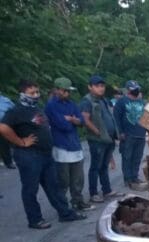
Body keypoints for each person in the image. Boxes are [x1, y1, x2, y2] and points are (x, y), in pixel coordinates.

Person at [0, 80, 86, 229]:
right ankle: (35, 219)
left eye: (37, 92)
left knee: (54, 186)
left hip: (46, 154)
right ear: (22, 94)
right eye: (31, 93)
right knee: (30, 188)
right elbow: (3, 127)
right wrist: (20, 142)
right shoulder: (16, 111)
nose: (36, 95)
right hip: (29, 155)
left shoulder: (37, 108)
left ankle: (65, 213)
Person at [44, 77, 94, 211]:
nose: (68, 93)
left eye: (68, 91)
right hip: (61, 146)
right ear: (58, 90)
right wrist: (73, 120)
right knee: (63, 180)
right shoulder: (51, 106)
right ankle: (63, 206)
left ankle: (78, 201)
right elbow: (62, 125)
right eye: (65, 91)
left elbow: (82, 121)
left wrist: (71, 119)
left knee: (78, 178)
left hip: (75, 145)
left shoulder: (71, 103)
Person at [81, 75, 123, 203]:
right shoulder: (87, 101)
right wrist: (97, 132)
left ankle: (107, 190)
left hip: (108, 138)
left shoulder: (103, 100)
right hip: (97, 140)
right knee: (95, 167)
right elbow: (85, 119)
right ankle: (93, 193)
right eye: (97, 86)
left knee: (104, 166)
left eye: (102, 86)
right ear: (90, 87)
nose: (100, 88)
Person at [114, 80, 148, 191]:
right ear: (128, 90)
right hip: (128, 134)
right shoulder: (121, 102)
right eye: (134, 88)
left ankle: (134, 177)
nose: (136, 90)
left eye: (137, 88)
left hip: (141, 134)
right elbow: (116, 118)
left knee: (137, 157)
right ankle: (127, 179)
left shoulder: (142, 102)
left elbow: (147, 118)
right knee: (127, 157)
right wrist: (120, 132)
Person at [0, 93, 16, 169]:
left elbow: (14, 110)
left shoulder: (5, 100)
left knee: (4, 144)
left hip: (3, 125)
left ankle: (8, 162)